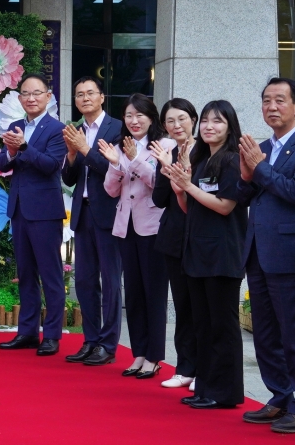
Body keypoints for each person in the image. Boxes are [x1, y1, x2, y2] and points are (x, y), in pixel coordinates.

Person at [238, 77, 295, 433]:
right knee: (266, 332)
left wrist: (258, 168)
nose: (271, 107)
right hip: (258, 250)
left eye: (279, 100)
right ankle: (279, 396)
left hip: (291, 252)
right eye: (266, 100)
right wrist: (246, 176)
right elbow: (247, 197)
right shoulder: (260, 147)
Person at [158, 100, 246, 410]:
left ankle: (226, 392)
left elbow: (224, 206)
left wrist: (189, 188)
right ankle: (205, 387)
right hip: (195, 250)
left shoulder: (233, 160)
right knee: (203, 324)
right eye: (206, 120)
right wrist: (180, 190)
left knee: (222, 325)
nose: (210, 126)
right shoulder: (198, 157)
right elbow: (187, 208)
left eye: (217, 121)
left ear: (229, 126)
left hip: (222, 253)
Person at [0, 74, 68, 354]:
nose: (31, 98)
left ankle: (51, 334)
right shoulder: (15, 126)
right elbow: (2, 162)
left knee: (50, 273)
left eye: (37, 93)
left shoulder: (57, 129)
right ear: (20, 98)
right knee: (25, 273)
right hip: (20, 209)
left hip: (45, 211)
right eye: (25, 93)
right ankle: (27, 332)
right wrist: (12, 150)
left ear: (48, 97)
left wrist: (24, 146)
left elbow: (51, 166)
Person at [98, 94, 166, 376]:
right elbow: (111, 190)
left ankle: (154, 356)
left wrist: (135, 159)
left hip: (152, 226)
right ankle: (138, 353)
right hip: (126, 227)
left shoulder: (163, 146)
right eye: (128, 115)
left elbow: (157, 182)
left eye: (140, 115)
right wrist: (115, 164)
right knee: (135, 295)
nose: (134, 121)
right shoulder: (118, 147)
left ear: (151, 117)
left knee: (154, 294)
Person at [60, 77, 124, 363]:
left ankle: (108, 346)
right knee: (85, 281)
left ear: (102, 97)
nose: (85, 98)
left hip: (109, 213)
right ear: (75, 101)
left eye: (90, 93)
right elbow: (69, 178)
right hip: (83, 211)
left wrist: (84, 149)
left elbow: (114, 170)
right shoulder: (75, 131)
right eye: (79, 95)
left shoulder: (117, 129)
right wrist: (72, 154)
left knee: (110, 281)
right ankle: (90, 339)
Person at [147, 99, 200, 389]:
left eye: (182, 119)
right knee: (181, 305)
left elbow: (196, 198)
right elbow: (158, 199)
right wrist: (166, 169)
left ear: (193, 119)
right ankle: (185, 367)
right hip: (173, 236)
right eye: (170, 121)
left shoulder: (204, 150)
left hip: (199, 236)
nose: (176, 125)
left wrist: (176, 170)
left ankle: (203, 368)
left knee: (200, 306)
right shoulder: (167, 151)